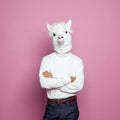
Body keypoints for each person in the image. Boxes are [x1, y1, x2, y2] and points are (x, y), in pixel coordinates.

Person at [39, 20, 84, 120]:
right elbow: (44, 83)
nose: (60, 37)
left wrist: (53, 79)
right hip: (52, 107)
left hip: (71, 107)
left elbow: (78, 86)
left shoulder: (77, 61)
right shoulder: (46, 60)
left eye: (65, 32)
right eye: (55, 34)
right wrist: (68, 80)